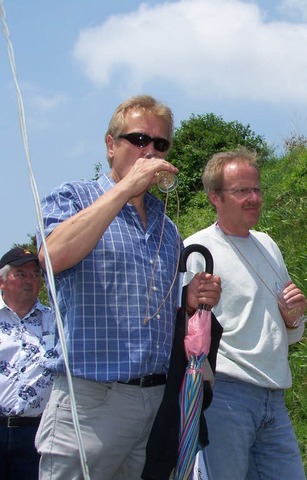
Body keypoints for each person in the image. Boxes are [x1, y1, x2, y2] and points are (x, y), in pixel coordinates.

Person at [35, 95, 221, 480]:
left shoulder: (168, 228)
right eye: (138, 139)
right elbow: (52, 256)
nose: (149, 151)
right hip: (91, 403)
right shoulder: (74, 197)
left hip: (154, 404)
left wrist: (186, 302)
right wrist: (124, 189)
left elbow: (154, 310)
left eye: (160, 144)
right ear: (110, 145)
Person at [183, 147, 307, 479]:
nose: (254, 198)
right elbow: (182, 327)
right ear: (215, 198)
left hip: (275, 394)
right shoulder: (196, 249)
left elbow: (289, 327)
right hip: (226, 395)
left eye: (257, 189)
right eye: (242, 191)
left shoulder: (268, 244)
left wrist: (294, 316)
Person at [0, 247, 58, 479]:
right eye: (21, 274)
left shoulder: (56, 320)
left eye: (35, 275)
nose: (30, 281)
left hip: (37, 432)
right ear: (2, 281)